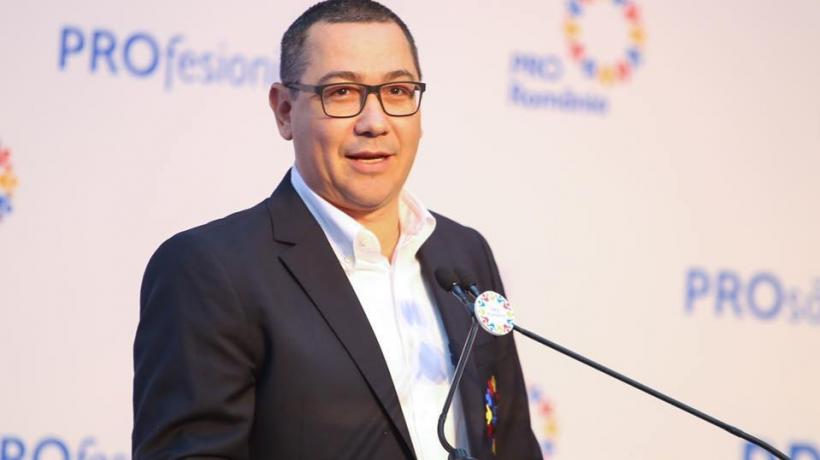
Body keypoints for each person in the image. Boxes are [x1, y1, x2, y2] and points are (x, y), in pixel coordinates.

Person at [132, 1, 541, 459]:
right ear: (284, 110)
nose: (375, 123)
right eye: (342, 92)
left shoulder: (463, 253)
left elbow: (511, 444)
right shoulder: (210, 270)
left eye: (398, 91)